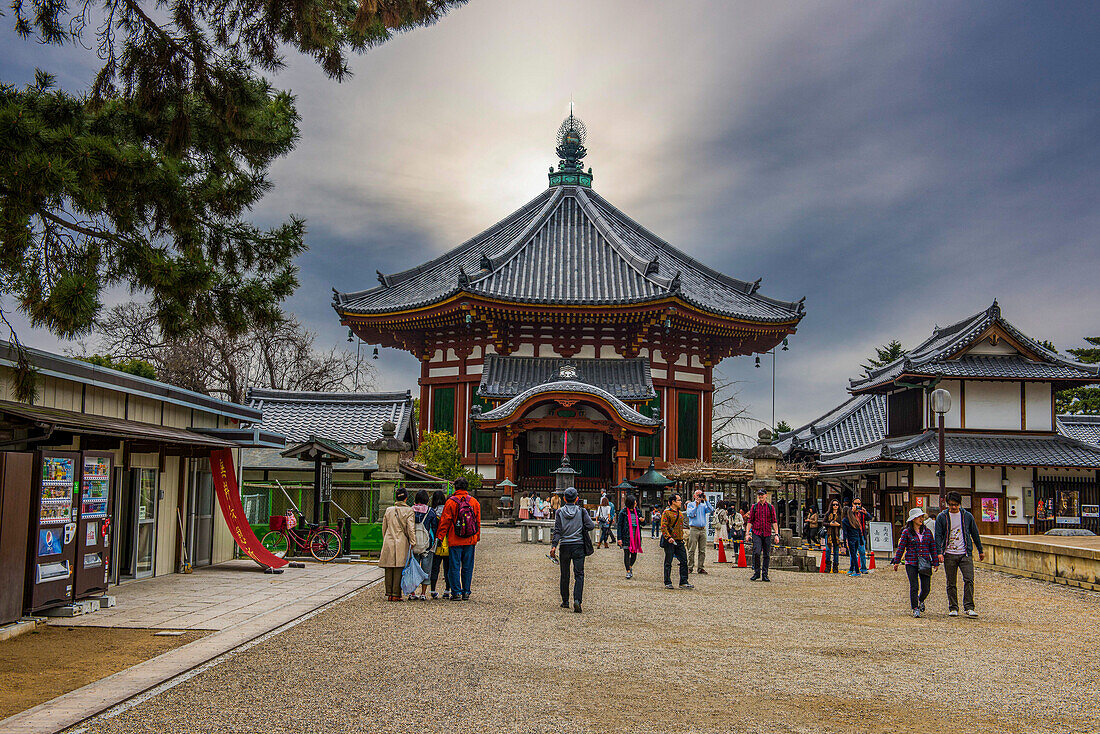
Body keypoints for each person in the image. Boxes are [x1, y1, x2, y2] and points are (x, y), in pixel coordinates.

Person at [934, 491, 985, 618]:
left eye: (956, 505)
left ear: (960, 504)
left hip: (965, 553)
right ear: (947, 504)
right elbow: (938, 536)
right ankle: (953, 607)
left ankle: (969, 607)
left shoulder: (967, 516)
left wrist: (980, 549)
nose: (953, 507)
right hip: (949, 553)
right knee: (951, 582)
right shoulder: (942, 517)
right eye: (951, 505)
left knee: (969, 579)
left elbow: (974, 533)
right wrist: (939, 552)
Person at [550, 486, 595, 612]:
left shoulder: (559, 512)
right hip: (578, 545)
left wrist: (554, 545)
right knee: (579, 574)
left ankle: (565, 601)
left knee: (564, 574)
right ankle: (577, 600)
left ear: (564, 498)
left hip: (564, 546)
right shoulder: (581, 511)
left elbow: (557, 531)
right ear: (577, 498)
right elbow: (590, 526)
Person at [436, 477, 481, 601]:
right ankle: (466, 591)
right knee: (467, 566)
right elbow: (477, 521)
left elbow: (445, 521)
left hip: (454, 538)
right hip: (470, 538)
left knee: (454, 566)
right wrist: (477, 536)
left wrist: (440, 536)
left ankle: (456, 592)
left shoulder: (451, 502)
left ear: (455, 487)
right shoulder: (474, 502)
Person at [892, 508, 938, 617]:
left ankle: (920, 599)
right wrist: (897, 561)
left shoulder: (927, 532)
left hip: (925, 561)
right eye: (919, 517)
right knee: (914, 586)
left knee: (926, 587)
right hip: (911, 561)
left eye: (922, 517)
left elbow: (932, 547)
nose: (921, 519)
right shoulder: (906, 532)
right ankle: (915, 608)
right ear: (913, 519)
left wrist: (935, 562)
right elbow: (901, 547)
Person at [379, 487, 416, 601]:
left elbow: (384, 527)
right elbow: (410, 528)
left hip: (389, 539)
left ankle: (389, 593)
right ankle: (396, 593)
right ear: (406, 498)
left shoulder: (389, 510)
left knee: (389, 567)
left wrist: (386, 537)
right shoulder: (409, 511)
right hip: (401, 540)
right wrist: (413, 541)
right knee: (399, 567)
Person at [661, 493, 693, 589]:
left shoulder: (680, 513)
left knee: (684, 560)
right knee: (668, 561)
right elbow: (663, 527)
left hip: (679, 540)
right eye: (678, 500)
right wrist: (668, 537)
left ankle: (683, 581)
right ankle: (667, 581)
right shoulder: (666, 512)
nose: (680, 502)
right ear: (673, 502)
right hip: (670, 540)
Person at [746, 488, 779, 582]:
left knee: (766, 554)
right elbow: (750, 521)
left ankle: (765, 574)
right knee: (756, 552)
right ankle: (757, 572)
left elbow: (774, 521)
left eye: (762, 494)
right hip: (757, 532)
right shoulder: (754, 507)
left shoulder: (770, 507)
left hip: (767, 532)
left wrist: (776, 534)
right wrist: (747, 533)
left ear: (766, 496)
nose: (760, 496)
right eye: (759, 494)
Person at [410, 489, 435, 600]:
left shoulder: (410, 511)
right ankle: (423, 593)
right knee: (426, 569)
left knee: (413, 568)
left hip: (413, 544)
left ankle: (412, 592)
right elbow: (434, 527)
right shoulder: (430, 511)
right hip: (426, 545)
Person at [428, 490, 451, 599]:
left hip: (436, 543)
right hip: (448, 541)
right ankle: (447, 590)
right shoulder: (448, 511)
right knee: (448, 567)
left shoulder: (432, 511)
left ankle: (433, 590)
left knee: (435, 567)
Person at [685, 489, 714, 574]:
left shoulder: (703, 505)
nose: (699, 497)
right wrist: (696, 506)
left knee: (702, 550)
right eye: (697, 495)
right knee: (692, 549)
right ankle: (690, 567)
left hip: (703, 529)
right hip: (694, 528)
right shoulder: (690, 504)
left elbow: (711, 510)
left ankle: (700, 567)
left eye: (700, 495)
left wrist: (706, 500)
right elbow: (690, 514)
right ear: (694, 496)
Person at [616, 494, 643, 579]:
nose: (636, 503)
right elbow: (619, 525)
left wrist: (642, 520)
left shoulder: (638, 511)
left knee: (634, 554)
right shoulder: (623, 513)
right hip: (626, 535)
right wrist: (619, 538)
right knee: (627, 553)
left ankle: (630, 566)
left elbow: (643, 523)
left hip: (636, 536)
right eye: (635, 502)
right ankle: (628, 571)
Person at [844, 499, 864, 576]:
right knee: (854, 554)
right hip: (857, 538)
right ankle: (852, 569)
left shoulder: (845, 520)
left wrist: (845, 541)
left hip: (851, 539)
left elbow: (845, 532)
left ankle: (857, 571)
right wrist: (861, 540)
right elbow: (859, 529)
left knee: (853, 555)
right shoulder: (854, 520)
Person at [823, 499, 843, 574]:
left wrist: (838, 525)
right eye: (834, 504)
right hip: (829, 534)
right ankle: (827, 566)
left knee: (836, 551)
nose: (835, 506)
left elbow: (843, 523)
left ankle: (835, 567)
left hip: (837, 534)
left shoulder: (841, 514)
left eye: (836, 504)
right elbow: (823, 523)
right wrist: (830, 524)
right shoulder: (828, 514)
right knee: (828, 550)